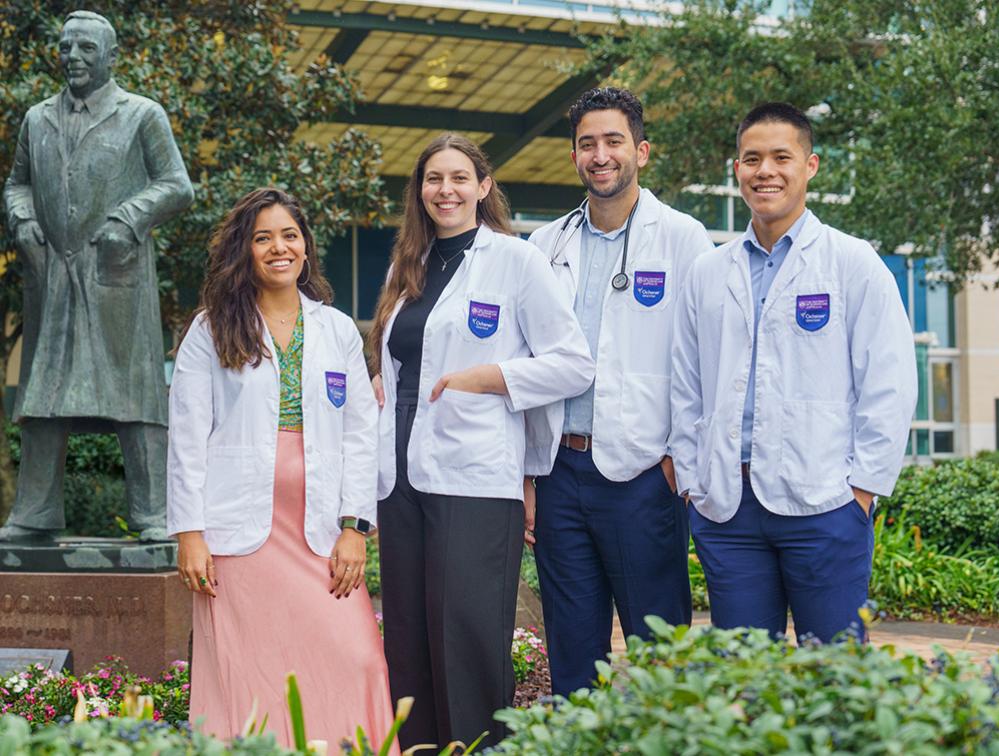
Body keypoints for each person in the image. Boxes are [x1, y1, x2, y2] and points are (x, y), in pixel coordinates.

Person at [368, 134, 593, 750]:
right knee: (409, 639)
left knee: (466, 642)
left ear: (483, 187)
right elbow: (398, 364)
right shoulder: (403, 267)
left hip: (474, 480)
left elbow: (574, 363)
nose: (447, 190)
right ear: (419, 191)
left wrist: (493, 377)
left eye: (459, 178)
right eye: (434, 179)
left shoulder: (515, 262)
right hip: (401, 480)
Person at [670, 102, 917, 642]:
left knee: (834, 675)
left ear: (811, 165)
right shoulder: (709, 272)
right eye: (752, 158)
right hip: (728, 511)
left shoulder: (852, 263)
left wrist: (862, 490)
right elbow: (685, 385)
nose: (766, 171)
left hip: (825, 505)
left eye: (782, 157)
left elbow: (890, 382)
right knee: (745, 677)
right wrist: (693, 482)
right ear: (736, 169)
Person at [167, 188, 397, 754]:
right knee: (248, 672)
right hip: (237, 532)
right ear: (243, 251)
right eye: (262, 237)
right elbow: (188, 437)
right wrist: (189, 534)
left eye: (289, 235)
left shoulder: (338, 328)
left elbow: (360, 434)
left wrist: (354, 527)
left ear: (306, 248)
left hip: (320, 528)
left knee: (357, 655)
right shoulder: (212, 328)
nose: (278, 247)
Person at [524, 87, 715, 696]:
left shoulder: (683, 239)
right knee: (573, 653)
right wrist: (528, 472)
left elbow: (705, 357)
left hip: (641, 476)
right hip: (559, 471)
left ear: (641, 150)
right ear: (573, 155)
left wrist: (673, 462)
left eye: (613, 141)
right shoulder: (543, 245)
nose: (600, 155)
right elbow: (525, 360)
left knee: (661, 653)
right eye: (587, 144)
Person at [2, 10, 193, 543]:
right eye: (66, 48)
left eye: (87, 49)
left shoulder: (142, 115)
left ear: (111, 57)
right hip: (53, 275)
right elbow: (17, 184)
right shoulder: (37, 118)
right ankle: (36, 509)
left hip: (116, 276)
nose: (74, 58)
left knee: (133, 397)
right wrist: (22, 220)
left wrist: (128, 219)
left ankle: (152, 512)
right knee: (43, 396)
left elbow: (177, 185)